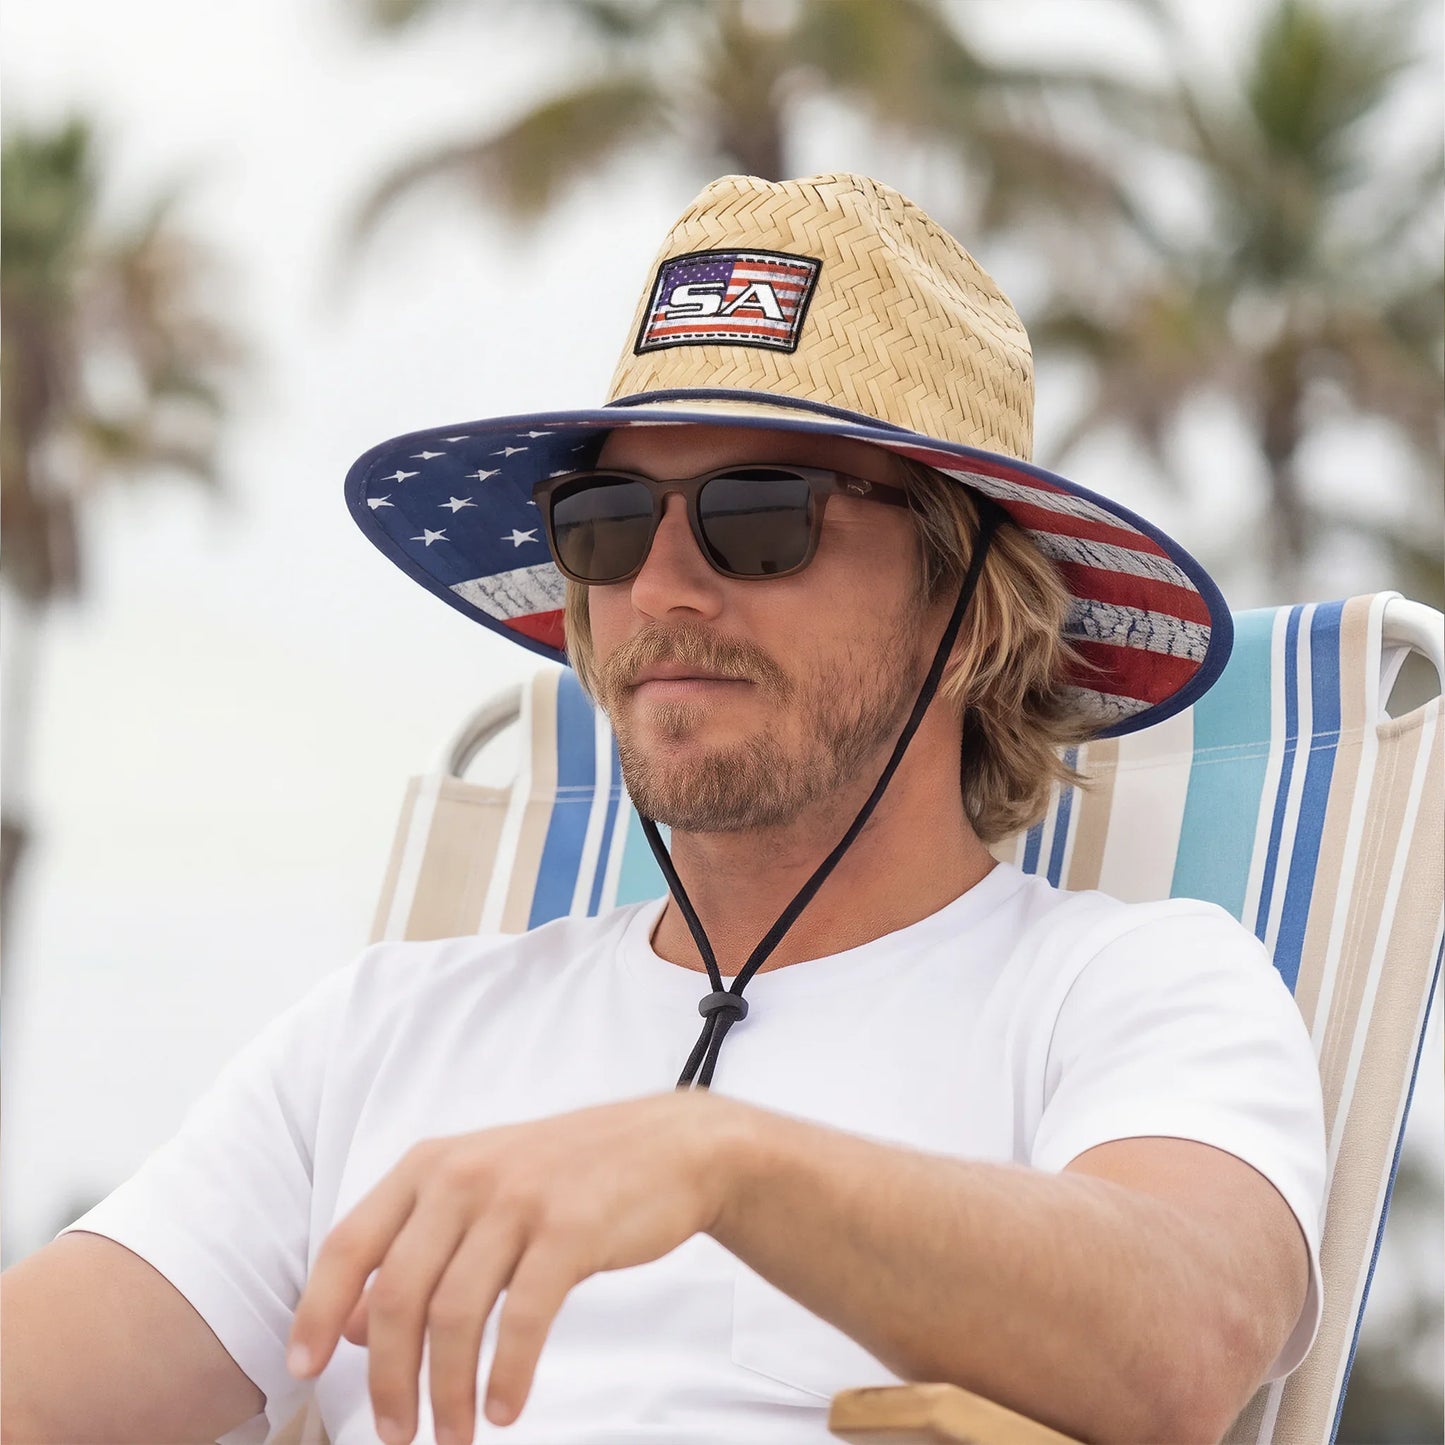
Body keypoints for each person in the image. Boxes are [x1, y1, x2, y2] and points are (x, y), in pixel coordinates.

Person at [2, 173, 1325, 1445]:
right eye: (608, 520)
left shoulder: (1130, 985)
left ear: (969, 601)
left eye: (761, 516)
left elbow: (1186, 1343)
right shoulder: (387, 1031)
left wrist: (721, 1162)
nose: (664, 586)